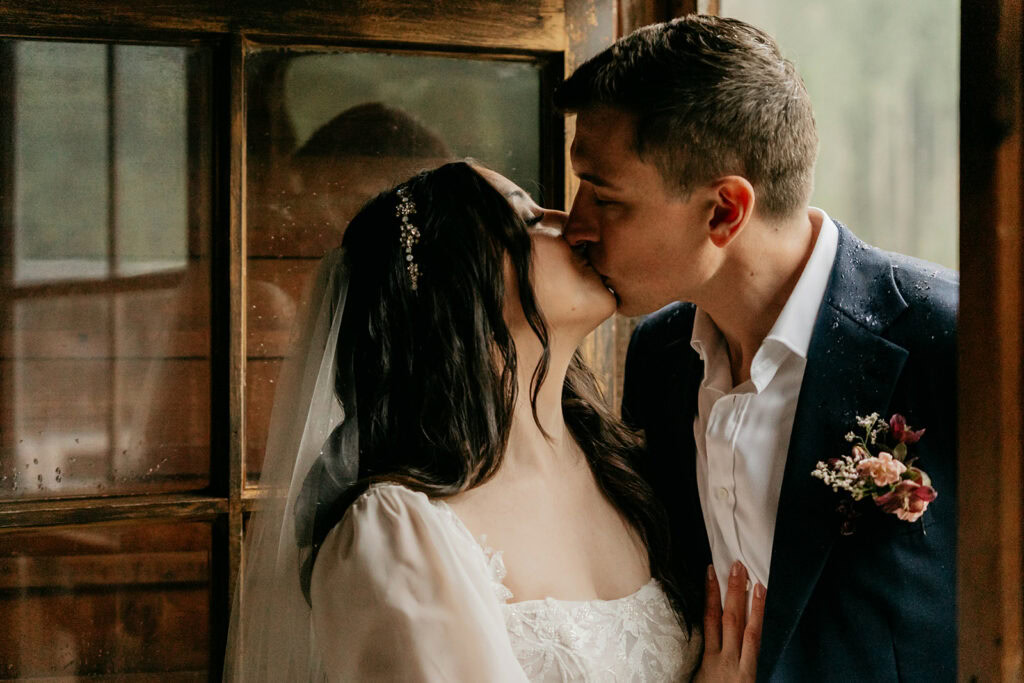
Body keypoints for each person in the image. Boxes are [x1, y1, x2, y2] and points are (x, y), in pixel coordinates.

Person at [225, 160, 763, 681]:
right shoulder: (395, 535)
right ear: (455, 287)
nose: (571, 225)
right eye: (528, 221)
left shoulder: (631, 470)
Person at [555, 15, 958, 682]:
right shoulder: (659, 358)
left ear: (724, 212)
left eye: (605, 197)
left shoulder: (951, 340)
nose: (576, 227)